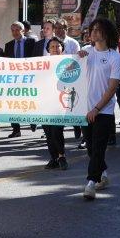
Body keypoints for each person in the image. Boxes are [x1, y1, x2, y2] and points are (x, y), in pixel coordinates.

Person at [76, 18, 120, 200]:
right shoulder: (86, 52)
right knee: (91, 148)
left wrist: (97, 108)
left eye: (97, 30)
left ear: (106, 33)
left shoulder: (115, 57)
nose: (92, 33)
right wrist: (77, 59)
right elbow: (71, 71)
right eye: (92, 29)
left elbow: (112, 88)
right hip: (85, 109)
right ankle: (102, 174)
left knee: (98, 148)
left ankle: (90, 183)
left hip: (103, 110)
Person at [4, 21, 38, 138]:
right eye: (12, 30)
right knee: (13, 103)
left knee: (29, 100)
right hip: (13, 79)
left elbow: (37, 58)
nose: (14, 32)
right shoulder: (8, 45)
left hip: (29, 77)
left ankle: (33, 120)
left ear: (23, 31)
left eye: (17, 30)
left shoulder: (32, 42)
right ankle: (16, 129)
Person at [42, 37, 68, 169]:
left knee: (56, 131)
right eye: (52, 47)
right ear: (48, 49)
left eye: (57, 46)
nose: (55, 49)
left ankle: (62, 156)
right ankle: (54, 158)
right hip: (45, 103)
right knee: (48, 132)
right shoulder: (42, 63)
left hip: (59, 103)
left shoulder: (68, 62)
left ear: (62, 48)